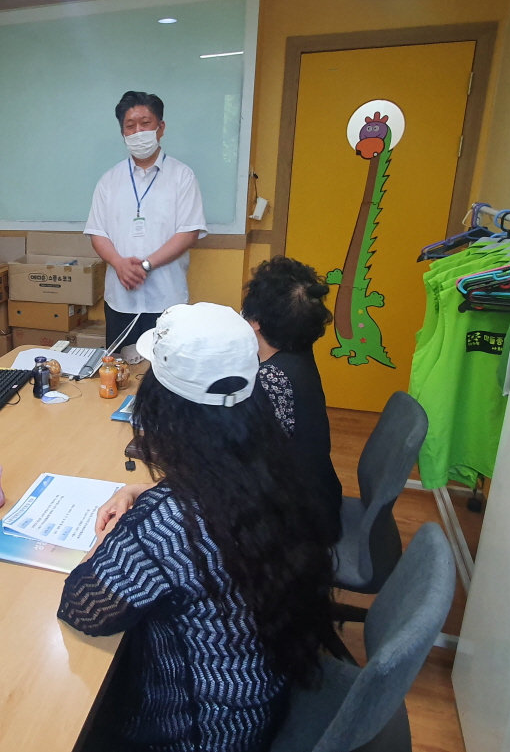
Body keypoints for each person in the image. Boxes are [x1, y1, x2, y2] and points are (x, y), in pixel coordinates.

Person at [58, 303, 337, 752]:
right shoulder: (273, 466)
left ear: (163, 409)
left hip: (199, 734)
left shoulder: (168, 526)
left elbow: (83, 607)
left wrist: (107, 542)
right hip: (266, 691)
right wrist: (144, 490)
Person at [85, 91, 207, 351]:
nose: (138, 132)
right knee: (119, 370)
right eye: (130, 126)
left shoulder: (182, 176)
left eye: (145, 123)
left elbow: (188, 233)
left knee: (164, 371)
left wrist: (146, 265)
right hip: (120, 299)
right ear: (123, 133)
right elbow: (97, 233)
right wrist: (119, 263)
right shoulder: (109, 180)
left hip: (167, 299)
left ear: (160, 127)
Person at [241, 256, 343, 545]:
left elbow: (242, 459)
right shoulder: (297, 353)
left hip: (295, 525)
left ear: (255, 321)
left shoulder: (272, 378)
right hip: (317, 499)